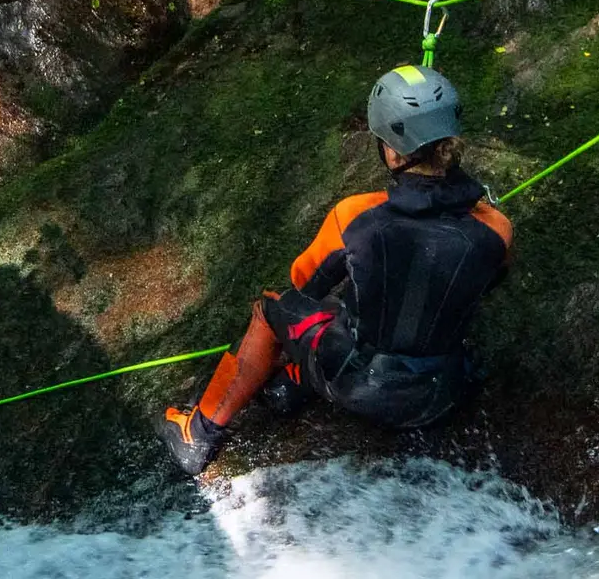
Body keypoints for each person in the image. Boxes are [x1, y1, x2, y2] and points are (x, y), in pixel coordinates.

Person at [157, 64, 513, 475]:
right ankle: (293, 383)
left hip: (362, 385)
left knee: (273, 309)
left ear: (394, 152)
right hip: (441, 395)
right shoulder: (495, 228)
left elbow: (303, 286)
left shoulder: (355, 217)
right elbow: (488, 283)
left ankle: (198, 434)